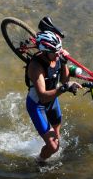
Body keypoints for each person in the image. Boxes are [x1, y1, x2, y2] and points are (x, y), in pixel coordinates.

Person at [25, 30, 81, 163]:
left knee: (57, 137)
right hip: (37, 105)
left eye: (59, 51)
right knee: (53, 146)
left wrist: (64, 63)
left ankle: (48, 152)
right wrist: (64, 88)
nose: (58, 55)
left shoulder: (56, 56)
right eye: (55, 53)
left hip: (52, 101)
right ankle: (39, 162)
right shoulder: (35, 67)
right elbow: (43, 96)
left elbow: (64, 80)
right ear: (45, 52)